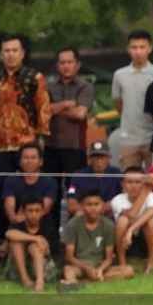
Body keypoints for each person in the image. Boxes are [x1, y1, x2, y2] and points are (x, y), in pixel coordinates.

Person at [0, 35, 51, 230]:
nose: (10, 55)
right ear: (1, 54)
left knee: (28, 189)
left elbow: (44, 108)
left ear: (22, 53)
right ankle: (2, 236)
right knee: (0, 188)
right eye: (6, 51)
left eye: (15, 50)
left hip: (27, 143)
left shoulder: (34, 77)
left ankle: (31, 232)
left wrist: (39, 138)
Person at [46, 47, 94, 206]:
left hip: (75, 147)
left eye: (70, 62)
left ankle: (74, 229)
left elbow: (80, 114)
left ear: (77, 65)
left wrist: (55, 108)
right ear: (57, 65)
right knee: (50, 193)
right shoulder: (48, 87)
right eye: (62, 62)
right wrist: (66, 104)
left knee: (76, 193)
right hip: (50, 146)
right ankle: (51, 230)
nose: (66, 66)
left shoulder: (85, 87)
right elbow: (43, 112)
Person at [111, 30, 153, 169]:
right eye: (134, 47)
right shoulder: (119, 75)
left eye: (142, 47)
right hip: (128, 137)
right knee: (129, 180)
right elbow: (118, 104)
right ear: (128, 49)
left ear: (149, 48)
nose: (138, 51)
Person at [60, 190, 133, 289]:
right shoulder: (73, 224)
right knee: (68, 270)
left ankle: (82, 282)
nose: (93, 208)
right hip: (80, 266)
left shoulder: (108, 225)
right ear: (81, 206)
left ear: (102, 205)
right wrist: (86, 268)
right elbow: (69, 257)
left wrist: (100, 269)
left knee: (128, 270)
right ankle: (90, 280)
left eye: (96, 204)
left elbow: (108, 258)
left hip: (100, 265)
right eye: (89, 204)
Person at [112, 166, 153, 274]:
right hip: (124, 243)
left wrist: (130, 230)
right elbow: (131, 215)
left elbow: (152, 212)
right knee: (122, 220)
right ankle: (122, 263)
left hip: (145, 240)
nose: (133, 186)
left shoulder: (152, 196)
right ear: (123, 184)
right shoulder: (117, 199)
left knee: (151, 221)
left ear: (143, 183)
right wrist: (145, 191)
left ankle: (151, 263)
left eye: (138, 182)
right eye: (129, 182)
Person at [3, 143, 57, 235]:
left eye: (33, 158)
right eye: (26, 158)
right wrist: (15, 219)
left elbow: (45, 209)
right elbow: (10, 211)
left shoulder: (49, 181)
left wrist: (24, 218)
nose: (29, 161)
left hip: (41, 226)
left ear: (41, 162)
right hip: (18, 224)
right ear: (20, 161)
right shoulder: (10, 180)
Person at [5, 197, 53, 292]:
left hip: (43, 268)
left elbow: (48, 249)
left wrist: (38, 244)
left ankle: (40, 283)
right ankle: (25, 280)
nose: (34, 214)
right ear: (23, 212)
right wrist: (35, 238)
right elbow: (9, 234)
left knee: (34, 247)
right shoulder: (19, 224)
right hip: (19, 269)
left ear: (42, 211)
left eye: (37, 211)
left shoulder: (48, 225)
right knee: (16, 243)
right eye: (30, 211)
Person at [65, 141, 122, 219]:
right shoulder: (78, 175)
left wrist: (102, 209)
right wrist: (90, 211)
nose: (99, 161)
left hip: (108, 216)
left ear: (109, 158)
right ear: (89, 159)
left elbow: (123, 199)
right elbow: (71, 203)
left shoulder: (117, 174)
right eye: (95, 157)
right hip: (84, 216)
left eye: (102, 157)